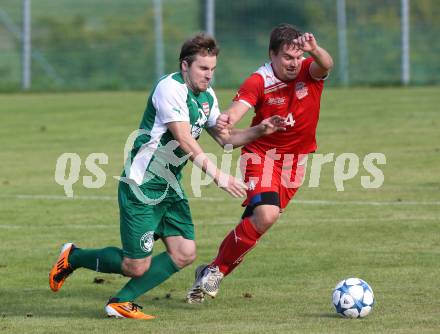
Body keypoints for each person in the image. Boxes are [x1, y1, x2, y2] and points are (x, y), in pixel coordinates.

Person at [48, 33, 286, 320]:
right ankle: (73, 256)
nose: (209, 76)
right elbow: (185, 139)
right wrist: (218, 176)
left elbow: (227, 139)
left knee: (185, 253)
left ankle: (120, 302)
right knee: (136, 265)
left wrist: (261, 129)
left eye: (212, 69)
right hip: (143, 186)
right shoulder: (169, 88)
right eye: (202, 69)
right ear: (185, 65)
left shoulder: (207, 96)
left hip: (170, 187)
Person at [186, 24, 333, 303]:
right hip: (261, 156)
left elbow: (327, 64)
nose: (294, 64)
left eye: (298, 57)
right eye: (287, 58)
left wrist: (313, 49)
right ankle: (215, 271)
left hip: (294, 163)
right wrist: (228, 118)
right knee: (266, 215)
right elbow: (237, 110)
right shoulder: (259, 80)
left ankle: (210, 270)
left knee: (258, 222)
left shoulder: (308, 70)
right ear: (272, 55)